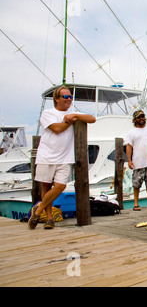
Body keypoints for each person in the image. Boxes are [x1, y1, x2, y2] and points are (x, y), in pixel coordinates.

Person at [28, 86, 96, 229]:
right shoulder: (48, 113)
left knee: (60, 186)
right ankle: (49, 219)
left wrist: (76, 116)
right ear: (57, 99)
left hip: (65, 157)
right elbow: (57, 129)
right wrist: (68, 121)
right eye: (65, 97)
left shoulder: (73, 113)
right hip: (47, 155)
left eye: (70, 96)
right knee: (46, 186)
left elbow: (92, 118)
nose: (69, 99)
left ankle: (38, 211)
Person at [125, 110, 147, 211]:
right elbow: (129, 147)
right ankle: (136, 204)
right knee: (136, 184)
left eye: (143, 116)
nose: (141, 118)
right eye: (139, 117)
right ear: (135, 120)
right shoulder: (131, 133)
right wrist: (129, 160)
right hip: (138, 162)